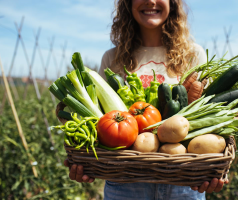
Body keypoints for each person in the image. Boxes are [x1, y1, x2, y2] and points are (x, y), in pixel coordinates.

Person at [64, 0, 229, 199]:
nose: (150, 1)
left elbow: (212, 120)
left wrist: (212, 171)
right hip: (125, 184)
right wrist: (87, 161)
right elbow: (101, 124)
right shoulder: (112, 58)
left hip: (184, 184)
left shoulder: (194, 55)